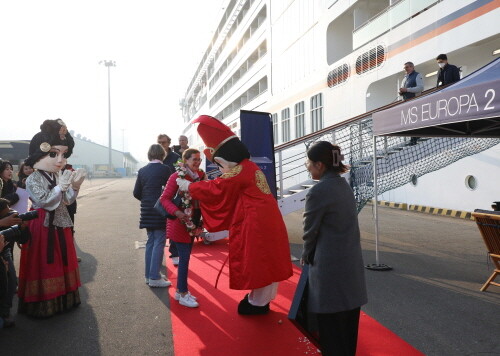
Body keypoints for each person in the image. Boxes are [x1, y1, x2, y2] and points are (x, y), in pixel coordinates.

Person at [177, 115, 293, 315]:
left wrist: (189, 185)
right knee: (268, 261)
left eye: (220, 165)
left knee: (259, 262)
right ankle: (261, 300)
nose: (220, 170)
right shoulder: (250, 167)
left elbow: (217, 188)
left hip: (256, 223)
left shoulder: (239, 170)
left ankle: (258, 303)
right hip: (267, 220)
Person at [302, 141, 368, 356]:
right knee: (348, 327)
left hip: (329, 268)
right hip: (350, 264)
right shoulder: (343, 185)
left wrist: (305, 255)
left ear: (319, 165)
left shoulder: (318, 191)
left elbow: (309, 232)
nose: (308, 168)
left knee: (330, 329)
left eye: (308, 164)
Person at [17, 119, 86, 318]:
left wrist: (74, 187)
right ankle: (44, 301)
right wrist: (61, 187)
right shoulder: (32, 179)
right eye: (54, 154)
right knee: (46, 263)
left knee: (62, 260)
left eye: (63, 155)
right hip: (42, 224)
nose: (60, 160)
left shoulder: (57, 176)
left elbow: (66, 201)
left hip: (61, 222)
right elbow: (45, 201)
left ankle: (64, 297)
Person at [160, 148, 205, 308]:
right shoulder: (176, 176)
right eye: (194, 159)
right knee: (184, 259)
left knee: (186, 259)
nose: (198, 162)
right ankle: (182, 292)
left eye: (199, 159)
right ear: (185, 160)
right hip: (179, 224)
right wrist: (178, 212)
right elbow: (164, 199)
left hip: (194, 222)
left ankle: (181, 291)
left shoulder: (200, 176)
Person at [133, 144, 173, 288]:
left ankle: (149, 275)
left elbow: (136, 192)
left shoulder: (142, 171)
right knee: (159, 242)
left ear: (149, 154)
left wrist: (146, 200)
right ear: (162, 155)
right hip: (160, 210)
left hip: (146, 211)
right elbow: (171, 190)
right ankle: (155, 277)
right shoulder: (165, 169)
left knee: (150, 242)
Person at [0, 198, 31, 328]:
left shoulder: (12, 221)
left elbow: (24, 240)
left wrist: (23, 228)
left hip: (4, 252)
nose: (11, 214)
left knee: (11, 283)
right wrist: (1, 222)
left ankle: (5, 313)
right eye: (6, 213)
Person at [157, 134, 181, 266]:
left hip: (173, 196)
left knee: (173, 225)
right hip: (159, 197)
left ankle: (174, 252)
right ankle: (158, 256)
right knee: (159, 228)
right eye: (159, 142)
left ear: (169, 143)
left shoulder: (176, 158)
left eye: (164, 143)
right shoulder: (156, 157)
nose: (161, 145)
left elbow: (182, 173)